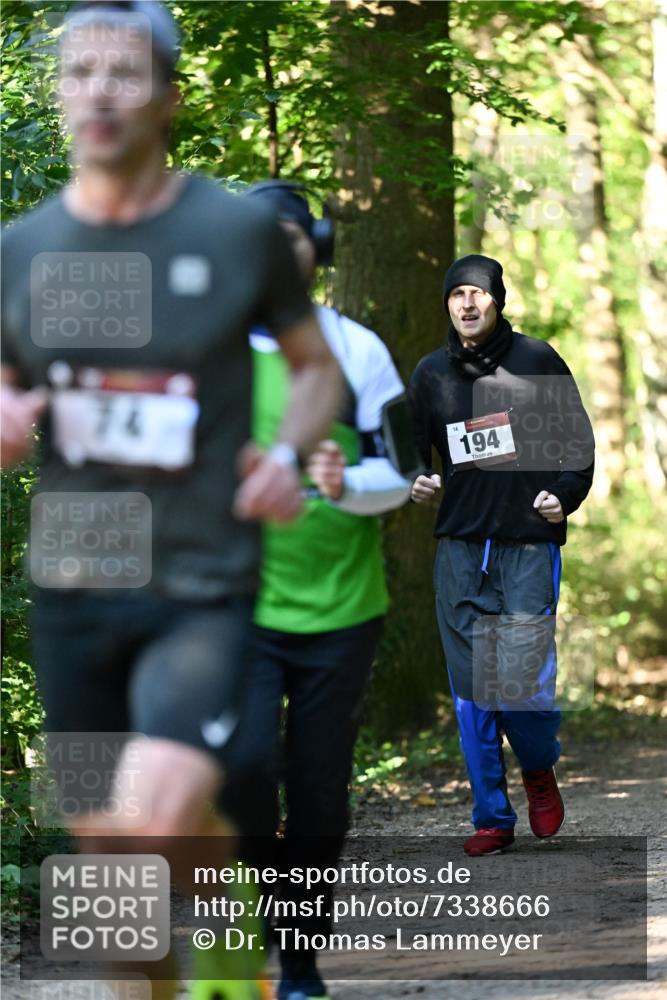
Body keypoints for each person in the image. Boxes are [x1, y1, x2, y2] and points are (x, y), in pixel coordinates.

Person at [1, 5, 342, 999]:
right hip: (75, 571)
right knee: (108, 868)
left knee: (149, 821)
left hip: (198, 574)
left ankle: (229, 880)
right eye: (81, 72)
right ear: (60, 93)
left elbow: (317, 371)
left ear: (170, 98)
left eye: (126, 72)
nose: (99, 91)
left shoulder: (234, 232)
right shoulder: (23, 249)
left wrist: (287, 448)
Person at [219, 180, 417, 1000]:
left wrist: (344, 482)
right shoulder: (211, 353)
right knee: (244, 766)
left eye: (291, 234)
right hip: (238, 606)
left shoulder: (359, 350)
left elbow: (401, 474)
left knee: (318, 789)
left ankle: (298, 959)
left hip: (341, 609)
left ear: (316, 247)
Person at [408, 253, 594, 858]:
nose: (466, 303)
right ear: (447, 304)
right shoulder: (431, 374)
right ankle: (492, 813)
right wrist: (417, 478)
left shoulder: (537, 361)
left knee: (523, 687)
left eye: (477, 294)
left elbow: (578, 445)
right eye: (456, 294)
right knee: (471, 690)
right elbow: (411, 452)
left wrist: (562, 496)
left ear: (497, 299)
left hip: (526, 547)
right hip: (461, 547)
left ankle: (538, 768)